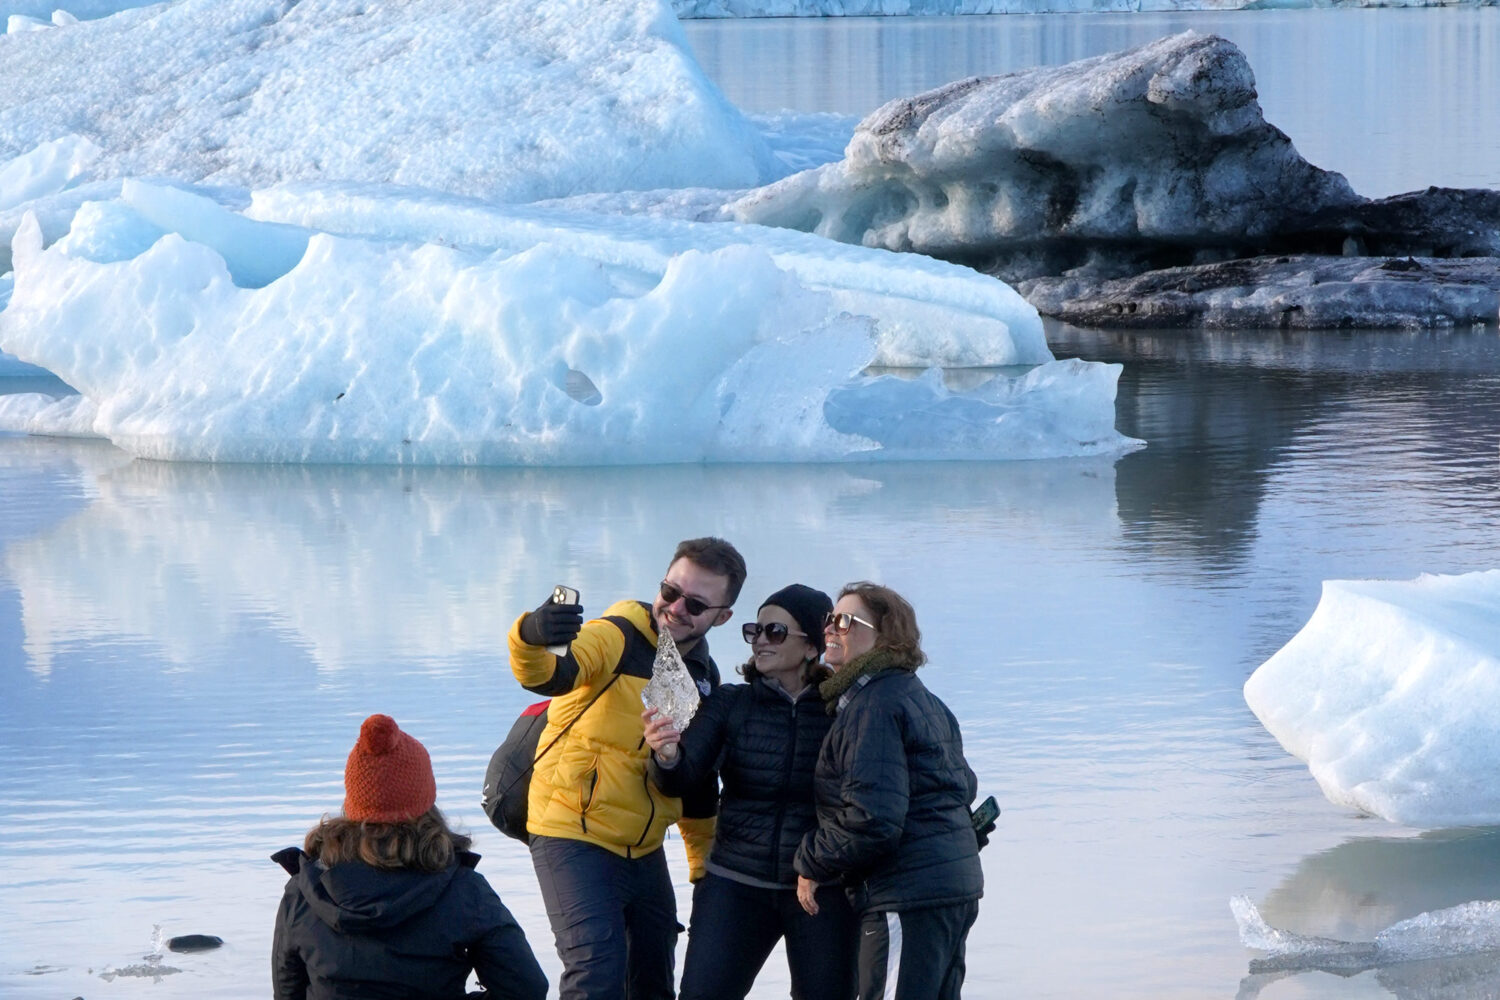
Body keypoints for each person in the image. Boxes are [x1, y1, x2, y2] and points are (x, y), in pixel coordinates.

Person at [508, 536, 746, 1000]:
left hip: (643, 848)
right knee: (596, 970)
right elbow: (549, 675)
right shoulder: (617, 634)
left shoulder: (702, 678)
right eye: (670, 591)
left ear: (722, 617)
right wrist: (530, 635)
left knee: (653, 979)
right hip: (570, 830)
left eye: (695, 604)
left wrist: (702, 869)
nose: (675, 608)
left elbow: (695, 786)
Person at [643, 583, 857, 1000]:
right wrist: (666, 754)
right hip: (735, 882)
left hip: (819, 888)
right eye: (754, 631)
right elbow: (682, 778)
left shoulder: (843, 710)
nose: (760, 640)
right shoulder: (729, 703)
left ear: (812, 646)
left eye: (774, 632)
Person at [794, 582, 984, 1000]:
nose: (830, 628)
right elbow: (963, 787)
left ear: (883, 636)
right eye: (830, 619)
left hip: (906, 894)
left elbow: (873, 819)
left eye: (844, 621)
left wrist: (810, 862)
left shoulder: (873, 706)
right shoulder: (922, 699)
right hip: (953, 888)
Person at [270, 713, 546, 1000]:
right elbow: (527, 988)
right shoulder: (464, 891)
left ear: (354, 803)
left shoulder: (303, 893)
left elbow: (287, 993)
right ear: (425, 802)